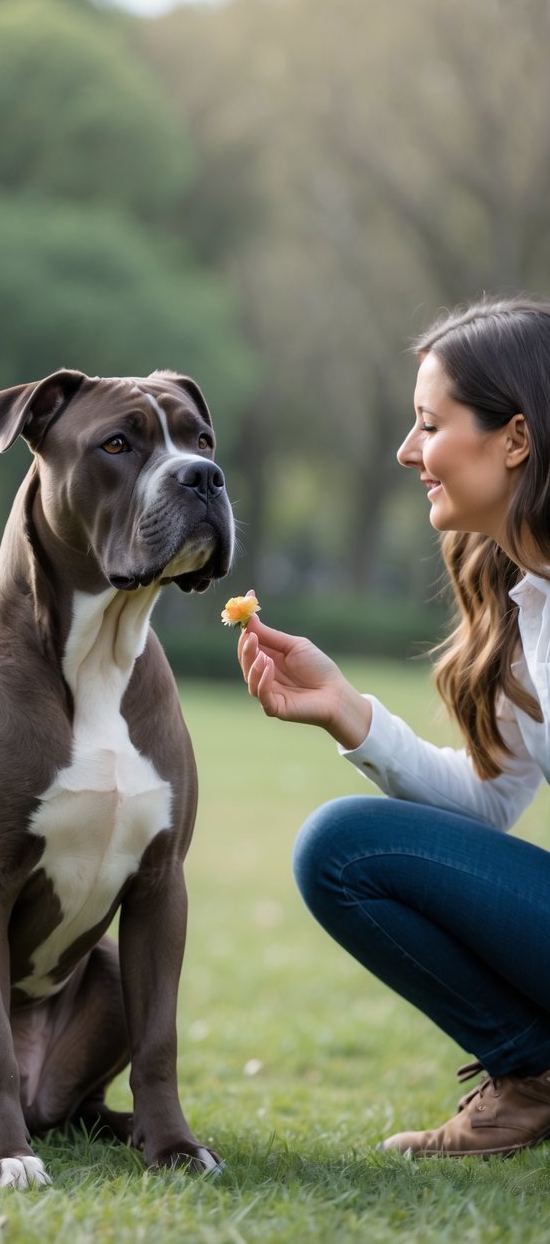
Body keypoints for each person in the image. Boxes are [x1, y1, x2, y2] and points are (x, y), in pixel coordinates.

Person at [237, 295, 550, 1158]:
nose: (409, 451)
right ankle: (533, 1074)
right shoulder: (528, 603)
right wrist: (347, 711)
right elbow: (492, 803)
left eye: (428, 424)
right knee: (342, 847)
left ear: (516, 439)